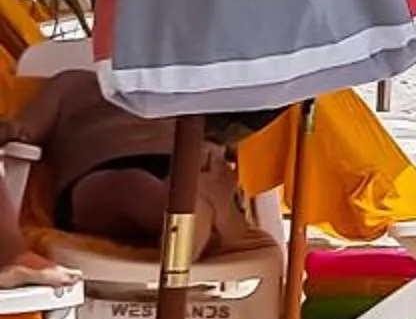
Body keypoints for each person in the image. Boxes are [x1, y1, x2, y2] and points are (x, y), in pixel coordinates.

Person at [0, 68, 268, 284]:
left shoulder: (180, 86)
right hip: (100, 172)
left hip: (181, 162)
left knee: (204, 171)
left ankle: (194, 214)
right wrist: (11, 129)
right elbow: (23, 130)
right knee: (135, 187)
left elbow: (235, 142)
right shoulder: (73, 85)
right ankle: (194, 217)